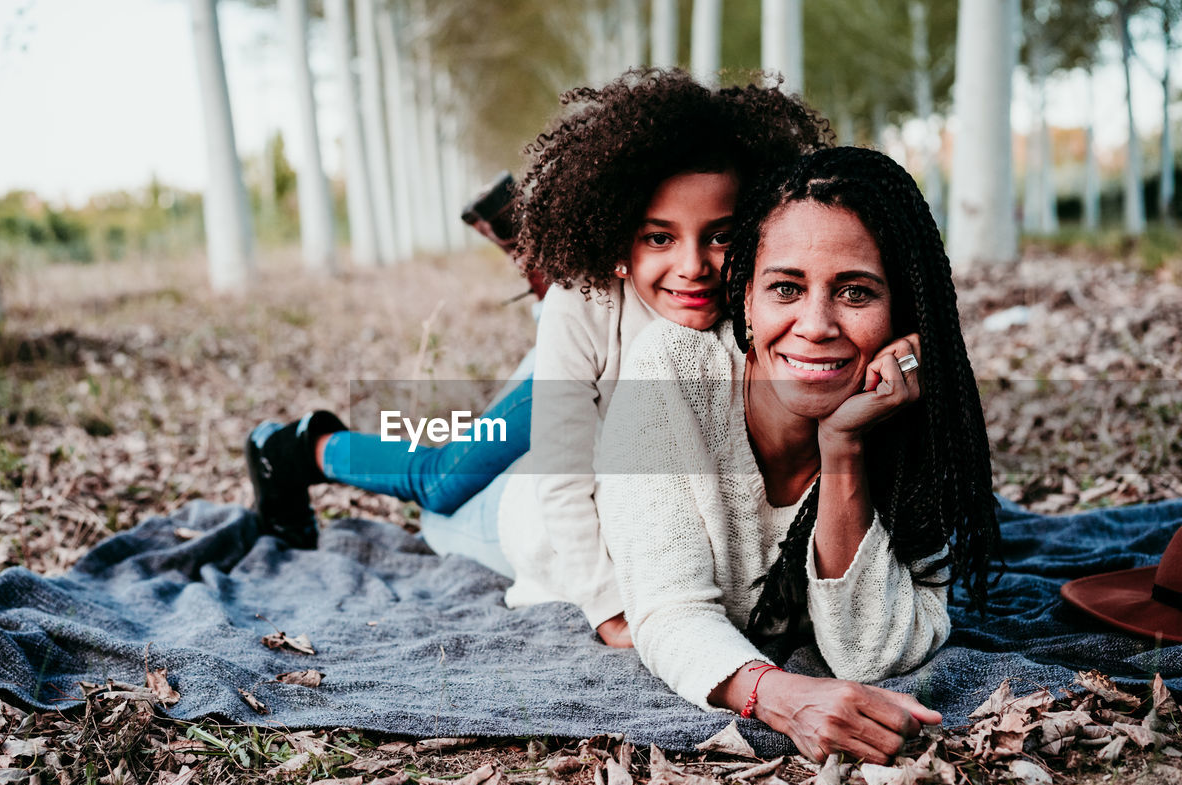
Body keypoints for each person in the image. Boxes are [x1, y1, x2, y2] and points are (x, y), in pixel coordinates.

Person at [245, 68, 830, 646]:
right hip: (584, 365)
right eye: (659, 236)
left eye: (722, 236)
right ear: (619, 235)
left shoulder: (763, 302)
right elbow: (563, 475)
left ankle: (535, 264)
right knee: (443, 488)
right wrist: (608, 605)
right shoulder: (592, 304)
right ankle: (301, 447)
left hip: (600, 378)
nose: (694, 264)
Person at [595, 147, 1000, 763]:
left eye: (855, 293)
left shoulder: (911, 416)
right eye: (786, 287)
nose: (815, 324)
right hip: (556, 531)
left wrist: (844, 446)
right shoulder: (669, 372)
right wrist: (782, 697)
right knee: (446, 484)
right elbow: (668, 611)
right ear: (746, 302)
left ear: (901, 310)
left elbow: (870, 653)